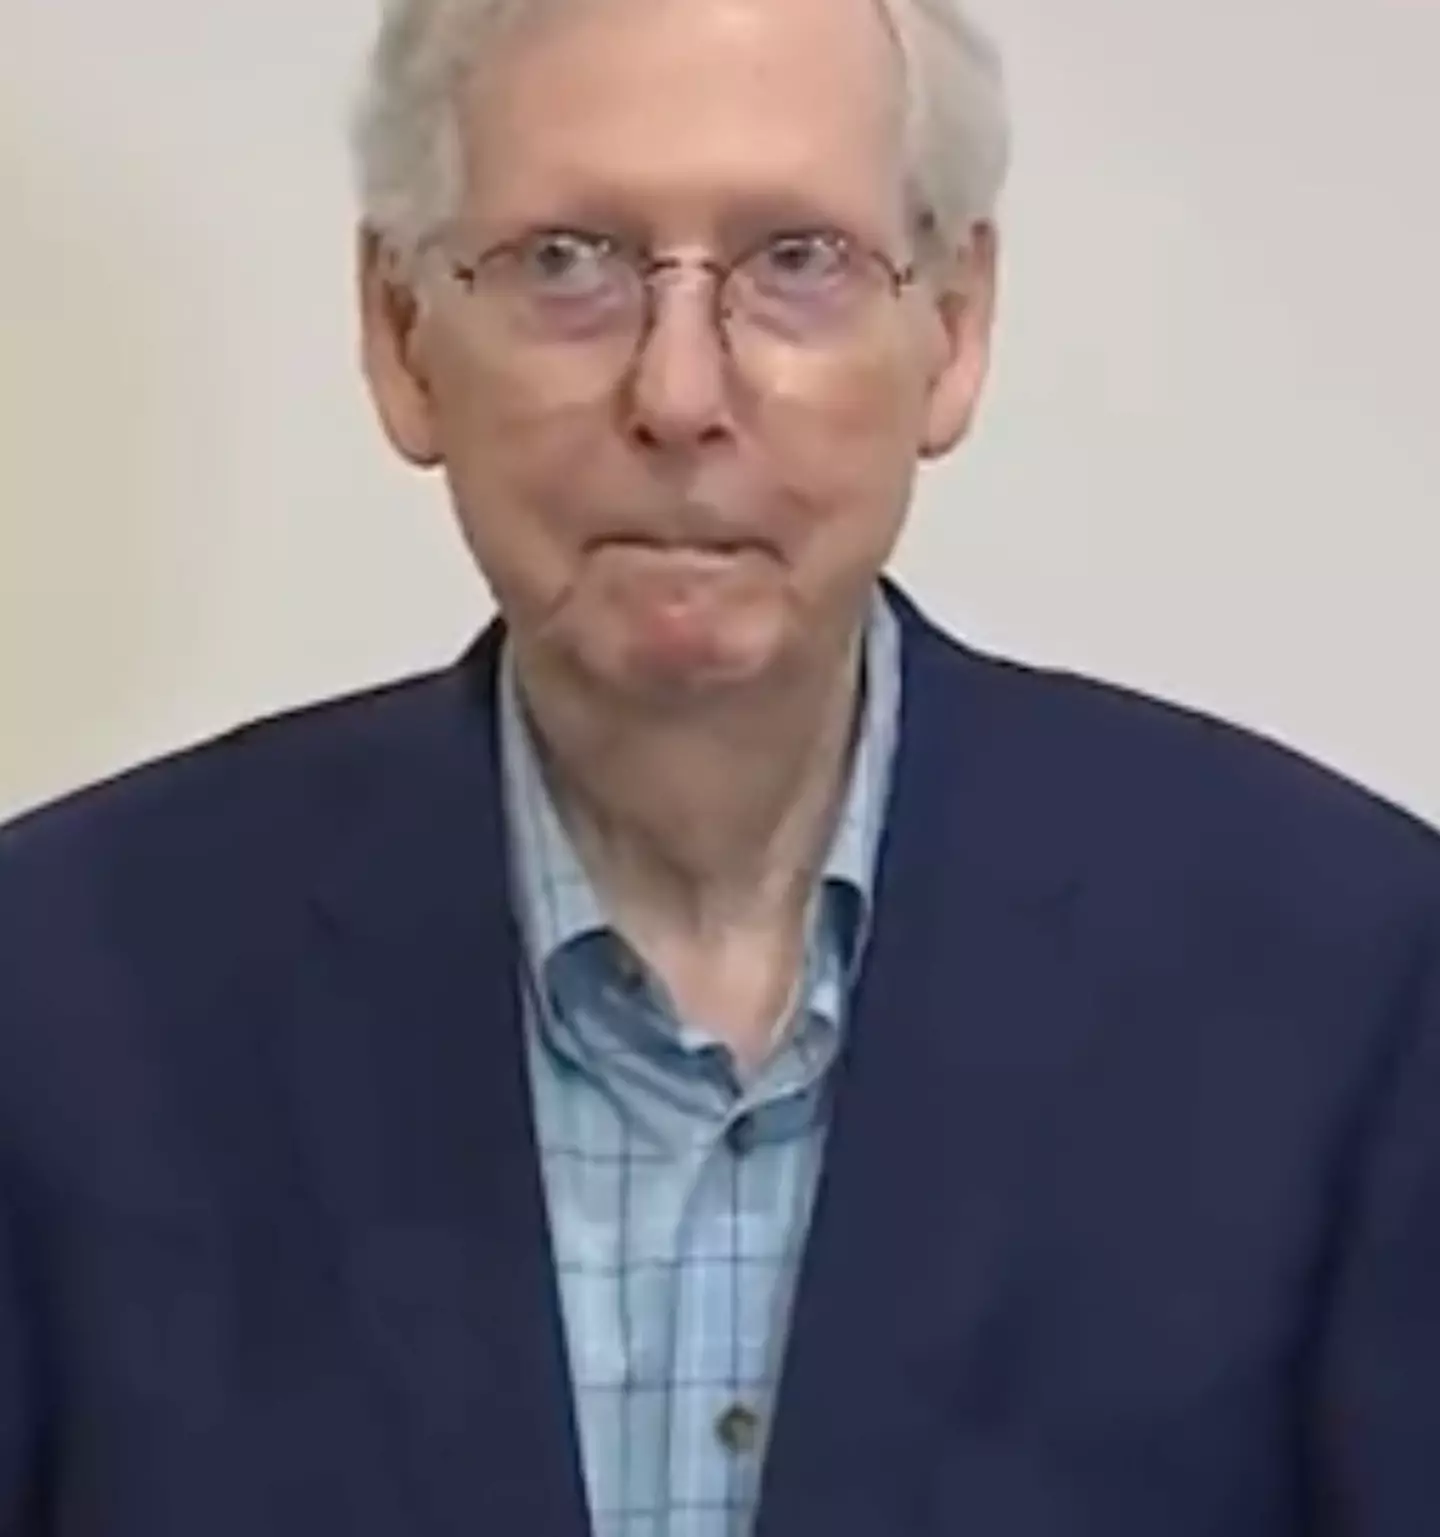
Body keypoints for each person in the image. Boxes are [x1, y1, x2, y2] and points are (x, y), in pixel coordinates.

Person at [1, 0, 1437, 1531]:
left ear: (953, 327)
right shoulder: (54, 999)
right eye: (568, 261)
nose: (679, 395)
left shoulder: (1356, 983)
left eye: (798, 261)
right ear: (401, 332)